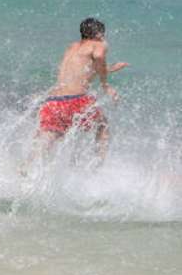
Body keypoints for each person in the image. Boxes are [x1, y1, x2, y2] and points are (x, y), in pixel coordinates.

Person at [27, 17, 128, 169]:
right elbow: (99, 57)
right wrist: (105, 85)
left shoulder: (72, 47)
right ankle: (97, 168)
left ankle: (27, 166)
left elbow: (80, 73)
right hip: (76, 100)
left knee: (52, 135)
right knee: (102, 125)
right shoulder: (99, 44)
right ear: (99, 34)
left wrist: (110, 69)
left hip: (54, 101)